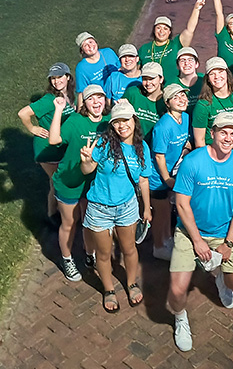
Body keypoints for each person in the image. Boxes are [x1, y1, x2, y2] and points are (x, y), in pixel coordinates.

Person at [167, 112, 233, 352]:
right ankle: (180, 318)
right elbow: (182, 204)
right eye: (223, 132)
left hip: (223, 233)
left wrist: (229, 244)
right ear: (212, 133)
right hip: (189, 231)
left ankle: (220, 277)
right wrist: (198, 241)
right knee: (177, 289)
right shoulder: (193, 161)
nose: (228, 137)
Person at [80, 101, 152, 311]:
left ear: (134, 120)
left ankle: (131, 283)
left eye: (126, 120)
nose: (122, 126)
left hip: (127, 207)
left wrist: (146, 208)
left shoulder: (142, 147)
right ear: (112, 125)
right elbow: (87, 170)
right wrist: (85, 160)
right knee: (103, 253)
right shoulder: (102, 143)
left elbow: (144, 180)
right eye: (117, 122)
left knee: (129, 249)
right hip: (99, 208)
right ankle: (109, 290)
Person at [49, 84, 110, 281]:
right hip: (70, 182)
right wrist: (58, 110)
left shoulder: (109, 121)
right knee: (70, 222)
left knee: (89, 221)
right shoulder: (76, 121)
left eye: (100, 97)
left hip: (93, 183)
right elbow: (54, 139)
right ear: (85, 103)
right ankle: (67, 259)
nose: (96, 102)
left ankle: (89, 253)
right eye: (91, 98)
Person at [18, 62, 76, 220]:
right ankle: (52, 214)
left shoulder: (71, 95)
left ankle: (58, 212)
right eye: (53, 79)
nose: (56, 82)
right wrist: (32, 129)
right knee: (56, 181)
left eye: (60, 77)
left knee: (58, 180)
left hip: (61, 145)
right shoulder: (49, 100)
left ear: (68, 77)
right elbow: (23, 113)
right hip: (47, 148)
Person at [149, 84, 192, 261]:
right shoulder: (163, 126)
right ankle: (158, 246)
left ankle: (167, 239)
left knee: (168, 210)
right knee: (161, 212)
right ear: (167, 103)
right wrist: (166, 178)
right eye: (176, 97)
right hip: (157, 177)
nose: (181, 100)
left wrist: (185, 153)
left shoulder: (186, 117)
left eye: (183, 95)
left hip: (173, 173)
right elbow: (159, 156)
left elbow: (187, 143)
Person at [138, 0, 206, 81]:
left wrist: (196, 9)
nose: (161, 31)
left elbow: (190, 30)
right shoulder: (144, 48)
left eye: (165, 28)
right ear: (154, 30)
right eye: (158, 28)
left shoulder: (176, 44)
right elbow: (137, 70)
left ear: (169, 32)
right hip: (151, 88)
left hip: (173, 89)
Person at [192, 57, 233, 148]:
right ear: (208, 79)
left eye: (220, 71)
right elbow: (200, 141)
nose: (217, 76)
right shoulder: (203, 105)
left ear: (227, 73)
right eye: (212, 74)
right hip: (215, 152)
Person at [122, 62, 165, 145]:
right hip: (132, 145)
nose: (148, 83)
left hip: (155, 148)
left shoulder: (166, 101)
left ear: (161, 79)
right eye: (145, 79)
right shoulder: (133, 93)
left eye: (152, 78)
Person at [75, 32, 120, 109]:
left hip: (120, 92)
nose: (90, 46)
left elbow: (121, 68)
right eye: (85, 45)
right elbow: (81, 92)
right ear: (82, 51)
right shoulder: (81, 68)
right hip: (102, 102)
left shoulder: (108, 52)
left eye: (91, 42)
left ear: (96, 42)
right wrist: (79, 113)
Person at [166, 47, 204, 116]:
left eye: (190, 60)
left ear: (197, 64)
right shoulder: (170, 84)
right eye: (182, 60)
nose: (186, 63)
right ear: (177, 66)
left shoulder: (204, 80)